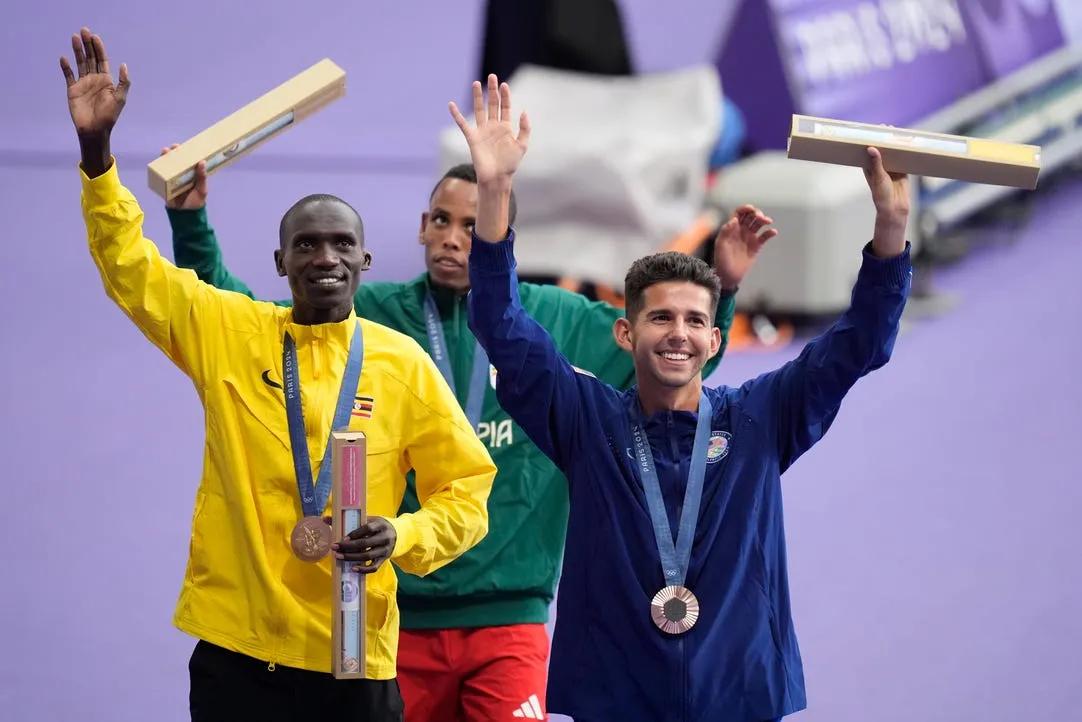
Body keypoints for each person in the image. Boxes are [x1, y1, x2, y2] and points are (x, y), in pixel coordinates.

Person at [161, 119, 758, 719]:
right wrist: (190, 223)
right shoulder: (367, 315)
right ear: (422, 226)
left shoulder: (559, 321)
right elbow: (248, 329)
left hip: (509, 615)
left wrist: (724, 289)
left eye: (472, 226)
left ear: (500, 232)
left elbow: (674, 364)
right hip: (398, 614)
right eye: (441, 221)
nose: (452, 239)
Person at [60, 27, 496, 722]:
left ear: (364, 262)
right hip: (239, 650)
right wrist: (96, 154)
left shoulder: (402, 364)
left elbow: (467, 493)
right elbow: (129, 267)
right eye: (306, 244)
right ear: (280, 262)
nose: (325, 257)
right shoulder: (229, 331)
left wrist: (404, 535)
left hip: (351, 655)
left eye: (342, 244)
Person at [455, 74, 912, 721]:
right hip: (618, 699)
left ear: (715, 336)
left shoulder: (759, 418)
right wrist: (496, 189)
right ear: (625, 332)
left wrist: (890, 226)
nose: (679, 334)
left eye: (695, 321)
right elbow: (500, 323)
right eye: (661, 318)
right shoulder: (586, 420)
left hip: (738, 693)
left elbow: (859, 342)